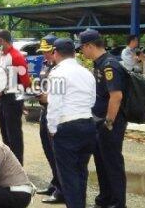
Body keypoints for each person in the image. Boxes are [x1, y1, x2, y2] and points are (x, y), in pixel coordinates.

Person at [79, 29, 127, 208]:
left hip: (110, 123)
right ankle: (105, 199)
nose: (82, 52)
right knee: (101, 162)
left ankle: (117, 203)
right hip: (100, 122)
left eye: (82, 48)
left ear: (89, 45)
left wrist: (108, 123)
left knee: (112, 164)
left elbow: (116, 96)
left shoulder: (109, 65)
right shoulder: (99, 63)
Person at [46, 38, 97, 208]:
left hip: (67, 127)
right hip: (88, 125)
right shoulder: (86, 72)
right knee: (81, 173)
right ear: (74, 54)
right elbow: (92, 100)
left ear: (56, 53)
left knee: (68, 177)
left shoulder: (58, 73)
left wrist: (52, 128)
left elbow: (54, 103)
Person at [33, 34, 64, 204]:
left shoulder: (61, 68)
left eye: (47, 51)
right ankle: (55, 182)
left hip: (56, 112)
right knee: (47, 148)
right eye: (43, 51)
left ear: (55, 50)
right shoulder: (46, 65)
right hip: (45, 111)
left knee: (56, 152)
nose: (44, 55)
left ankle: (61, 189)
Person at [0, 29, 29, 165]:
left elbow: (25, 81)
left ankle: (18, 164)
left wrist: (19, 100)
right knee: (5, 132)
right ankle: (8, 163)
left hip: (12, 99)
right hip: (2, 99)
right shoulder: (2, 55)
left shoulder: (16, 56)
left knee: (14, 134)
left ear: (1, 41)